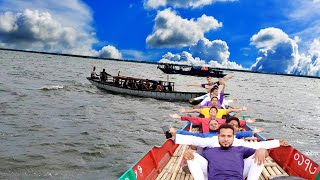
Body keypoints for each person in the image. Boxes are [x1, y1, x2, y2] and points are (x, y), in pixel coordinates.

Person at [170, 125, 289, 180]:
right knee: (192, 156)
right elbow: (195, 140)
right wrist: (185, 149)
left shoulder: (240, 146)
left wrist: (269, 147)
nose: (226, 139)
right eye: (223, 136)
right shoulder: (210, 146)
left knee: (259, 154)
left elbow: (257, 145)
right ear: (218, 136)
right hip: (213, 177)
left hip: (237, 176)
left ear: (233, 137)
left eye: (229, 136)